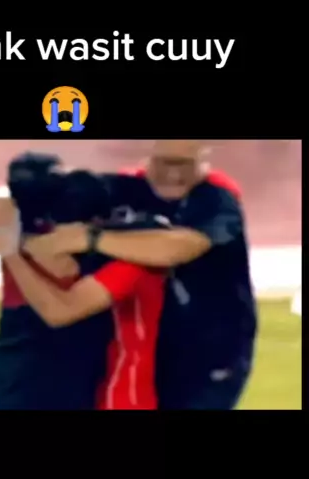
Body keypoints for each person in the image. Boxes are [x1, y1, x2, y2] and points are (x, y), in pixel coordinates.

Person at [24, 140, 258, 411]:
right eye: (165, 162)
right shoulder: (123, 187)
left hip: (211, 352)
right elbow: (36, 195)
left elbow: (177, 248)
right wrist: (10, 206)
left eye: (184, 164)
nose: (173, 174)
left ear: (203, 156)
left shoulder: (217, 196)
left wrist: (90, 239)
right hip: (147, 350)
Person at [0, 153, 166, 411]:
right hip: (49, 370)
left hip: (21, 368)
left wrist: (11, 245)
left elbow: (60, 300)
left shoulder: (25, 228)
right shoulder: (82, 229)